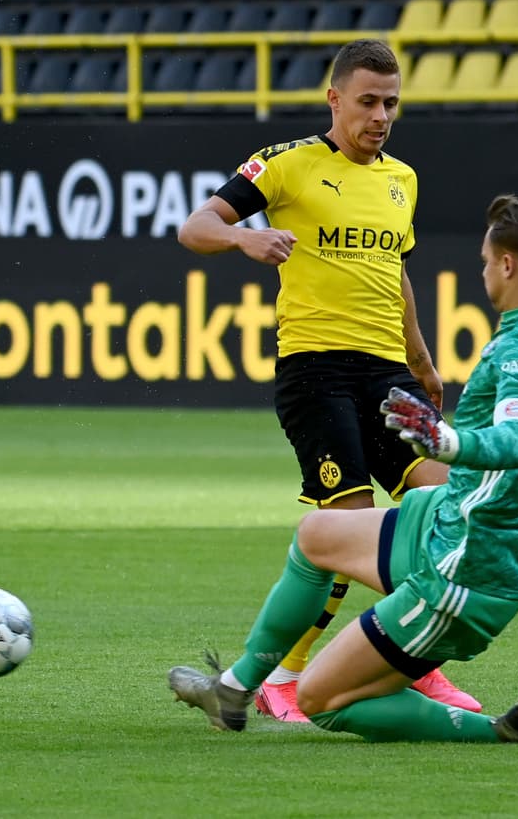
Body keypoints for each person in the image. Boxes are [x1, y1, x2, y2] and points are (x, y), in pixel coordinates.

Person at [168, 194, 518, 744]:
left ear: (507, 264)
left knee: (321, 700)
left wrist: (446, 441)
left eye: (484, 261)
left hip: (467, 566)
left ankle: (504, 732)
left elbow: (517, 440)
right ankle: (234, 691)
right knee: (317, 535)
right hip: (453, 520)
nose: (482, 272)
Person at [176, 38, 477, 721]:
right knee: (349, 533)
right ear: (334, 99)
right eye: (368, 101)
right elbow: (196, 225)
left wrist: (424, 362)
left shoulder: (403, 178)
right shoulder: (286, 165)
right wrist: (243, 238)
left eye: (391, 103)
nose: (380, 116)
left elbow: (395, 275)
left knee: (450, 516)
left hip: (388, 373)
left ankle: (407, 660)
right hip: (316, 371)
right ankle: (291, 674)